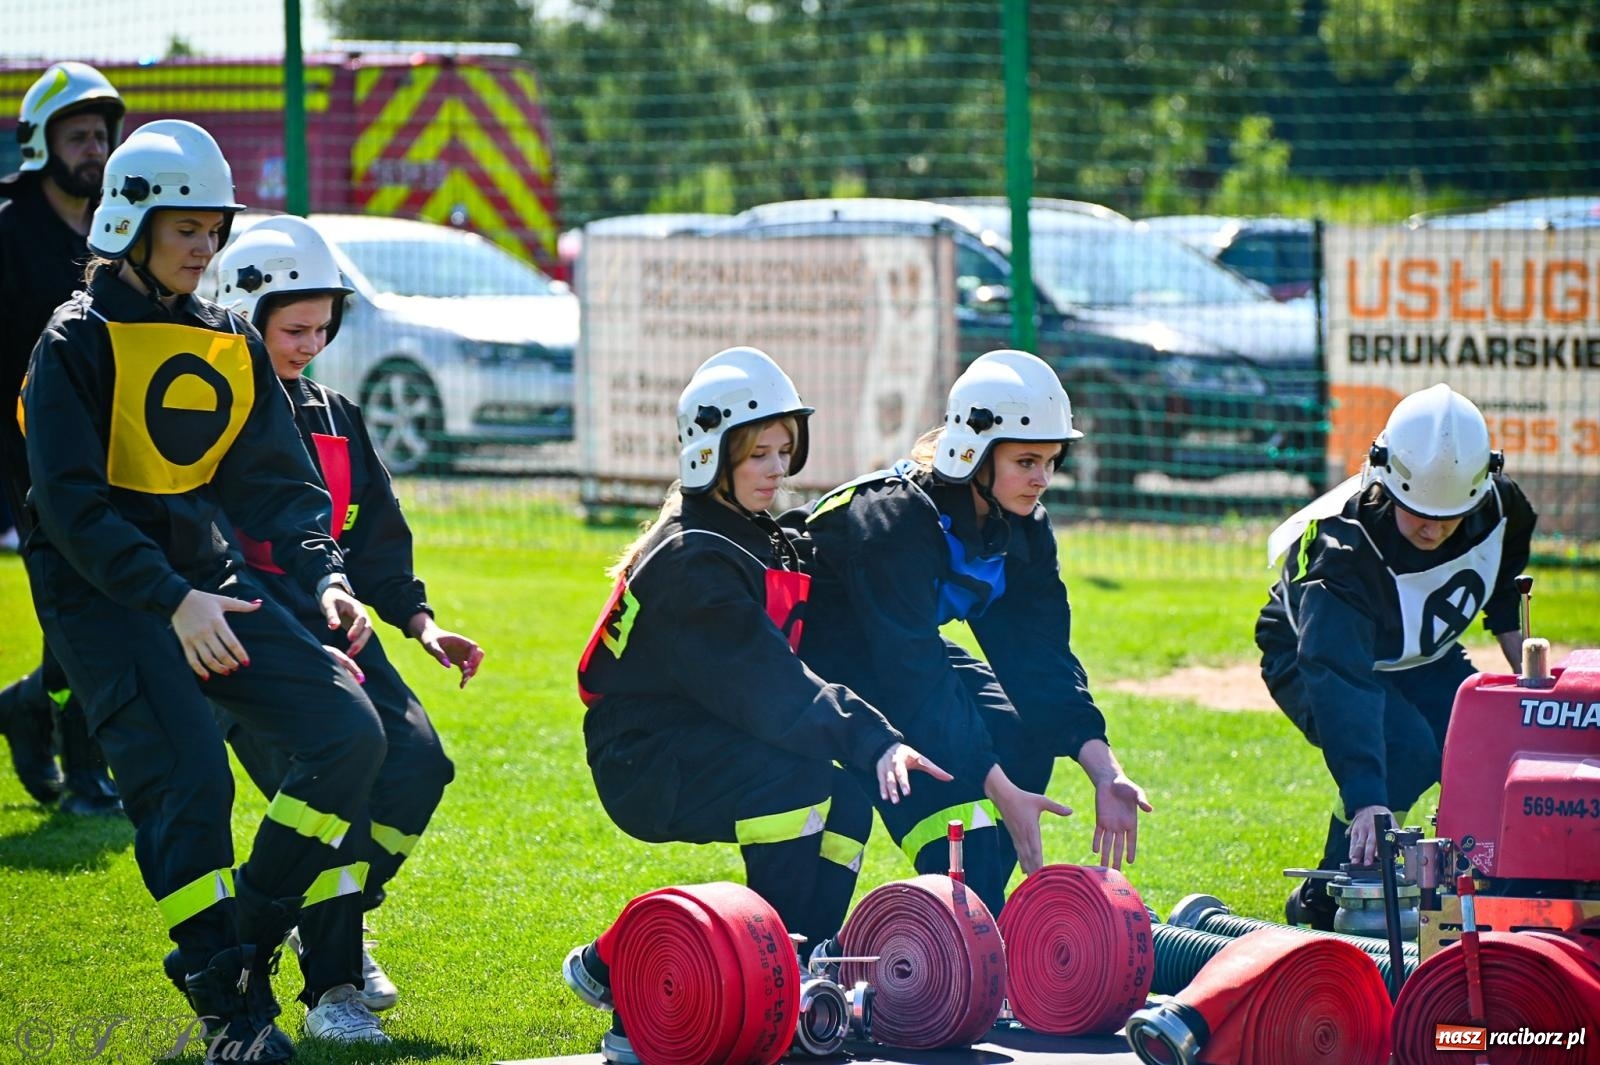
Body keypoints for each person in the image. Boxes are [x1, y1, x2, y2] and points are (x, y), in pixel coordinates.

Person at [20, 118, 387, 1061]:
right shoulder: (75, 339)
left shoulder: (229, 337)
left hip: (208, 586)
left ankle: (243, 941)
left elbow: (280, 486)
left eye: (214, 226)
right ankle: (232, 1013)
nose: (205, 245)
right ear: (129, 223)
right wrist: (170, 601)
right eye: (184, 226)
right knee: (188, 774)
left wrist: (328, 579)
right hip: (108, 602)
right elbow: (68, 507)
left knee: (349, 731)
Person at [564, 346, 951, 1061]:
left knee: (841, 787)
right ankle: (738, 980)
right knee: (796, 774)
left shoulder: (756, 535)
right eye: (758, 456)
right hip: (645, 757)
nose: (777, 469)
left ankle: (803, 973)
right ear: (709, 459)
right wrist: (875, 737)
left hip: (703, 733)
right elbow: (774, 689)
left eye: (784, 451)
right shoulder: (694, 562)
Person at [205, 215, 476, 1041]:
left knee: (421, 765)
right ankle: (333, 994)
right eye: (295, 329)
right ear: (241, 314)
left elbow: (377, 540)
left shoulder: (337, 416)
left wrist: (421, 622)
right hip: (250, 639)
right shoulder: (208, 416)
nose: (311, 345)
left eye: (324, 328)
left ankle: (342, 916)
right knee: (343, 791)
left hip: (342, 632)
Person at [798, 348, 1152, 919]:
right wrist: (999, 787)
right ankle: (953, 932)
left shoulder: (1022, 527)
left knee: (1023, 731)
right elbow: (910, 678)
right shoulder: (892, 522)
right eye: (1027, 462)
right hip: (817, 668)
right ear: (973, 453)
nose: (1043, 480)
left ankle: (973, 924)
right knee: (949, 770)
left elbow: (1040, 660)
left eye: (1052, 462)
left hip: (896, 652)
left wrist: (1105, 771)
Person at [1257, 383, 1537, 930]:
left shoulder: (1503, 510)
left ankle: (1481, 881)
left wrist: (1525, 673)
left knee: (1482, 737)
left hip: (1417, 651)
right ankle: (1330, 891)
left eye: (1449, 517)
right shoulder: (1343, 551)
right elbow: (1339, 676)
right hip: (1307, 648)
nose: (1432, 528)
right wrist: (1365, 797)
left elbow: (1501, 585)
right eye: (1416, 514)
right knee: (1404, 747)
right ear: (1385, 482)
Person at [0, 61, 126, 816]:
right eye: (77, 136)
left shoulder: (114, 232)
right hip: (23, 453)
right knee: (85, 604)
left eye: (102, 136)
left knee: (98, 597)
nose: (93, 151)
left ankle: (23, 705)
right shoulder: (8, 233)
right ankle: (86, 771)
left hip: (111, 448)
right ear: (40, 143)